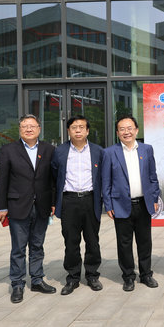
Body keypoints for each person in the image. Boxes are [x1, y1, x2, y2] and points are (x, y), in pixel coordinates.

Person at [0, 114, 57, 303]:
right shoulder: (9, 150)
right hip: (18, 206)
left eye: (32, 126)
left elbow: (52, 179)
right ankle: (17, 284)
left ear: (39, 128)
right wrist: (2, 207)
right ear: (20, 129)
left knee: (37, 246)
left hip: (42, 206)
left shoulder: (49, 149)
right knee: (18, 248)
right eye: (24, 126)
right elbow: (2, 180)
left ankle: (37, 280)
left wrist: (53, 202)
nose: (28, 129)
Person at [102, 115, 161, 291]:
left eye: (129, 128)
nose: (126, 132)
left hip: (143, 203)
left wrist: (155, 197)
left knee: (145, 242)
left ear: (136, 130)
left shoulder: (146, 149)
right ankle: (128, 277)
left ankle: (146, 274)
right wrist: (108, 205)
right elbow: (106, 181)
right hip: (120, 204)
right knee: (124, 243)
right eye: (122, 129)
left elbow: (152, 176)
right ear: (117, 132)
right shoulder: (109, 152)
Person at [51, 115, 104, 295]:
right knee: (71, 241)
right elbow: (54, 177)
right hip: (69, 201)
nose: (78, 130)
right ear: (68, 131)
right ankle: (73, 277)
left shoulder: (98, 151)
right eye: (74, 127)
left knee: (92, 240)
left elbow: (103, 177)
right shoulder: (59, 151)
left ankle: (92, 275)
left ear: (87, 131)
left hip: (91, 199)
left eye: (81, 127)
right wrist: (54, 203)